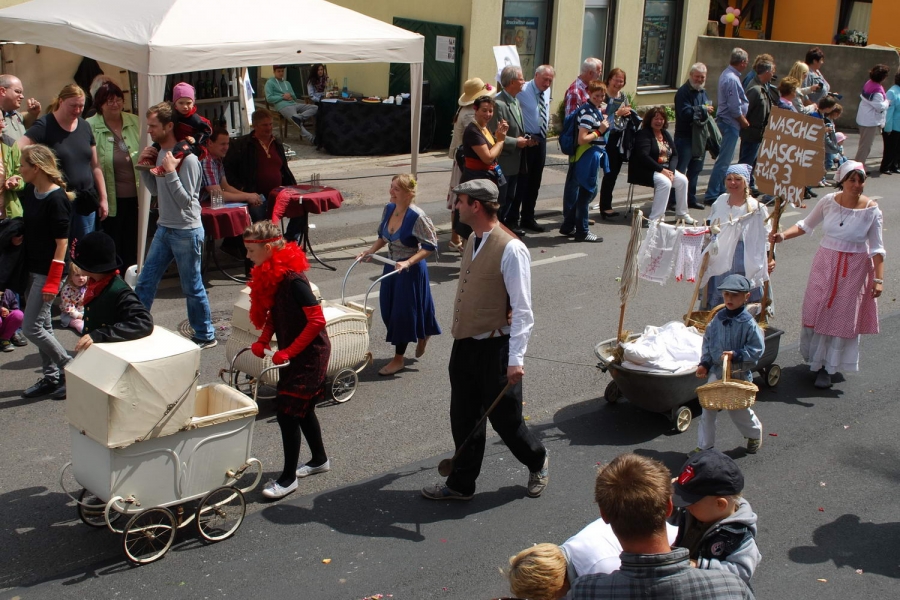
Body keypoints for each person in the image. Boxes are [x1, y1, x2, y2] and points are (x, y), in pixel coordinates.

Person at [421, 179, 548, 501]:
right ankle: (461, 485)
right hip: (465, 344)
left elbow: (523, 310)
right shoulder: (472, 239)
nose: (455, 206)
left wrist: (515, 359)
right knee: (464, 418)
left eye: (460, 201)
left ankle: (537, 460)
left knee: (507, 421)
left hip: (496, 347)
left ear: (475, 205)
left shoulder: (512, 249)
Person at [569, 453, 754, 599]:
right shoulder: (733, 589)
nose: (686, 507)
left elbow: (742, 569)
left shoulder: (583, 592)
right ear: (668, 507)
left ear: (604, 515)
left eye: (690, 503)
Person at [770, 160, 884, 390]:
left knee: (839, 315)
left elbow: (877, 248)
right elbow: (805, 225)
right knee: (815, 307)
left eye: (860, 180)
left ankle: (827, 367)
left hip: (854, 268)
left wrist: (878, 280)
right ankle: (816, 358)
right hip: (825, 262)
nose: (857, 184)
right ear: (842, 181)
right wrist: (782, 236)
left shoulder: (871, 210)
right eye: (852, 180)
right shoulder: (829, 201)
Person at [244, 221, 330, 500]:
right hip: (293, 351)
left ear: (268, 248)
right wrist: (263, 339)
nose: (248, 256)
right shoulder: (273, 275)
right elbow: (274, 313)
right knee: (303, 410)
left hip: (311, 354)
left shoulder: (293, 280)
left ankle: (288, 479)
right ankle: (319, 460)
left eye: (251, 251)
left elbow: (317, 321)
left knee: (288, 413)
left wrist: (289, 352)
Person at [134, 102, 216, 350]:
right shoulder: (161, 153)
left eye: (153, 126)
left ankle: (205, 334)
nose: (149, 130)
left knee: (191, 287)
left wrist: (170, 172)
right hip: (165, 227)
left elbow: (186, 201)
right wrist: (145, 169)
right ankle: (136, 327)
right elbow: (157, 192)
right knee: (145, 281)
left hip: (186, 230)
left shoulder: (188, 160)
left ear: (169, 126)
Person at [356, 174, 441, 376]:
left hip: (410, 270)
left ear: (409, 193)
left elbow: (430, 245)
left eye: (396, 189)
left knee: (401, 314)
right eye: (391, 187)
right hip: (392, 267)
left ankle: (398, 359)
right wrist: (370, 251)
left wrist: (408, 262)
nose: (391, 192)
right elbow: (383, 237)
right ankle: (424, 332)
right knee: (388, 310)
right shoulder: (389, 209)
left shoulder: (417, 216)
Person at [18, 144, 74, 400]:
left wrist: (53, 282)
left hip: (49, 272)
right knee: (44, 325)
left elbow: (62, 243)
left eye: (23, 165)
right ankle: (52, 377)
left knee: (31, 327)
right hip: (31, 267)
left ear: (36, 168)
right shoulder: (31, 192)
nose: (20, 169)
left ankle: (70, 368)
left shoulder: (57, 199)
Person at [508, 518, 680, 600]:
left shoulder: (599, 568)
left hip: (672, 559)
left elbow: (637, 591)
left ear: (554, 587)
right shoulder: (566, 554)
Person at [19, 84, 107, 242]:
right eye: (73, 106)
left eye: (81, 106)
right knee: (61, 246)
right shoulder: (45, 125)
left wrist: (103, 198)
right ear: (61, 101)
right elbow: (19, 149)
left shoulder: (85, 126)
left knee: (83, 248)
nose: (77, 110)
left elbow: (95, 166)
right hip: (58, 201)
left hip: (85, 200)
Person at [694, 274, 765, 454]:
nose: (729, 299)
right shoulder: (717, 319)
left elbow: (757, 349)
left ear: (746, 297)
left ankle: (754, 433)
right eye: (726, 294)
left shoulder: (748, 323)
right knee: (708, 408)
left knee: (738, 409)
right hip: (717, 370)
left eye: (735, 295)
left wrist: (738, 354)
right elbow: (708, 342)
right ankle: (705, 446)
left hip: (738, 373)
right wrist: (705, 363)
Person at [671, 449, 761, 585]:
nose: (686, 507)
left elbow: (742, 572)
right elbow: (668, 514)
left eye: (690, 502)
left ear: (720, 504)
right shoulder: (699, 512)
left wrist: (699, 565)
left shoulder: (739, 535)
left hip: (715, 588)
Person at [68, 230, 153, 353]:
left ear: (92, 266)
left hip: (111, 355)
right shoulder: (95, 282)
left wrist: (100, 334)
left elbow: (144, 322)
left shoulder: (119, 292)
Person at [86, 81, 141, 269]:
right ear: (99, 104)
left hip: (137, 196)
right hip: (109, 199)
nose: (115, 104)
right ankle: (115, 277)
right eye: (109, 100)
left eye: (118, 99)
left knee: (134, 242)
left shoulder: (135, 121)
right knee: (114, 243)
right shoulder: (89, 126)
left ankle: (133, 276)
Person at [704, 164, 773, 309]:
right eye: (729, 179)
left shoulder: (756, 207)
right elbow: (711, 222)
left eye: (737, 179)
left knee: (742, 294)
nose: (733, 183)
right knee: (723, 294)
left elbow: (766, 235)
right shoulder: (721, 200)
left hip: (745, 257)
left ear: (746, 182)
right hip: (721, 255)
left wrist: (770, 257)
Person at [223, 108, 299, 236]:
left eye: (270, 124)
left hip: (278, 194)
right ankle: (266, 243)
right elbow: (228, 171)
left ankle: (288, 241)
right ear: (255, 126)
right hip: (256, 196)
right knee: (261, 220)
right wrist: (243, 190)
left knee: (301, 208)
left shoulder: (277, 143)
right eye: (264, 125)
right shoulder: (242, 145)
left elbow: (284, 169)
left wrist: (293, 188)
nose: (269, 128)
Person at [447, 78, 494, 251]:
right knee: (463, 200)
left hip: (462, 158)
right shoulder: (470, 114)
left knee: (461, 199)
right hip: (466, 161)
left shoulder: (465, 109)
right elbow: (478, 142)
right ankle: (457, 237)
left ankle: (456, 238)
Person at [628, 106, 695, 224]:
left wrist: (671, 171)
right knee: (665, 182)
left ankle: (682, 214)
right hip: (645, 170)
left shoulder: (665, 134)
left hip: (665, 169)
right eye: (656, 119)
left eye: (661, 119)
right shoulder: (643, 134)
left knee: (683, 180)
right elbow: (643, 156)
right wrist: (662, 171)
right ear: (650, 120)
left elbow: (674, 155)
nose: (659, 121)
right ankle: (656, 219)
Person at [559, 80, 608, 242]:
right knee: (587, 193)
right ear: (589, 94)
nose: (599, 98)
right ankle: (582, 231)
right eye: (596, 95)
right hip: (586, 156)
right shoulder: (588, 112)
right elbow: (582, 139)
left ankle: (568, 225)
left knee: (587, 193)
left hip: (587, 156)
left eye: (602, 96)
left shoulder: (593, 110)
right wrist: (600, 131)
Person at [490, 65, 533, 235]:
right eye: (521, 79)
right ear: (512, 82)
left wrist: (526, 140)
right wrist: (516, 142)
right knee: (501, 198)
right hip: (504, 160)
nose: (524, 82)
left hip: (516, 160)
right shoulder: (498, 104)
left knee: (510, 196)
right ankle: (495, 231)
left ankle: (503, 228)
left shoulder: (515, 101)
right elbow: (494, 135)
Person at [513, 64, 555, 233]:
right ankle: (512, 218)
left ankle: (528, 217)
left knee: (535, 182)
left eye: (550, 80)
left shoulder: (547, 91)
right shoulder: (523, 89)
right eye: (545, 79)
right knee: (521, 181)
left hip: (541, 139)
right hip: (527, 140)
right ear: (536, 75)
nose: (547, 83)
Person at [138, 82, 212, 178]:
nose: (185, 106)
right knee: (155, 146)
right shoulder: (162, 153)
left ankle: (167, 167)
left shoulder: (195, 119)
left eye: (188, 103)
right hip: (180, 145)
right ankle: (149, 161)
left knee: (181, 146)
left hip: (190, 145)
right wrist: (144, 170)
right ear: (175, 104)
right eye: (181, 103)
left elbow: (207, 130)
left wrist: (195, 138)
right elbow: (156, 187)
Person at [704, 48, 749, 204]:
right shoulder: (731, 78)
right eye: (746, 62)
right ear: (742, 62)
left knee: (725, 160)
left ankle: (720, 190)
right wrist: (743, 120)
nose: (746, 65)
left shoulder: (729, 75)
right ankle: (712, 193)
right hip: (730, 123)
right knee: (724, 161)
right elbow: (734, 106)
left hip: (728, 122)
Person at [201, 127, 267, 220]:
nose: (226, 147)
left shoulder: (217, 159)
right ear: (210, 143)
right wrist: (247, 197)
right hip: (201, 207)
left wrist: (250, 196)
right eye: (222, 144)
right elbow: (218, 195)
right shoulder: (206, 161)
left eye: (227, 144)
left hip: (208, 204)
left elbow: (225, 186)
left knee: (258, 204)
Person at [674, 63, 713, 210]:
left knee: (695, 170)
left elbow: (707, 109)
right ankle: (674, 200)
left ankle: (690, 199)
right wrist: (703, 109)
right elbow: (685, 113)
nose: (700, 80)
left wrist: (705, 110)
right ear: (691, 75)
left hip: (699, 138)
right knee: (680, 171)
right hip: (685, 137)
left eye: (702, 77)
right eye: (697, 76)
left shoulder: (703, 92)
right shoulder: (683, 92)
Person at [595, 68, 631, 219]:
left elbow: (627, 113)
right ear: (609, 79)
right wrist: (617, 113)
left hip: (618, 138)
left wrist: (627, 112)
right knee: (596, 172)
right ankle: (585, 206)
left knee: (612, 172)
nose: (618, 83)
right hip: (602, 137)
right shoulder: (602, 95)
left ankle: (606, 206)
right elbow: (600, 116)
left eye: (621, 81)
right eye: (616, 80)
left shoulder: (623, 96)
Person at [740, 56, 775, 196]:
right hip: (751, 133)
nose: (773, 74)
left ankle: (748, 185)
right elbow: (745, 111)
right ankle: (742, 188)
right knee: (746, 162)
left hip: (758, 133)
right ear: (766, 72)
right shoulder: (754, 89)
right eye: (772, 71)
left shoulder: (763, 87)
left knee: (752, 162)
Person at [266, 65, 317, 143]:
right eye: (278, 71)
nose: (281, 73)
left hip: (293, 103)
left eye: (282, 71)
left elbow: (294, 97)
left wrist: (290, 96)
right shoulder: (270, 83)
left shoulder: (287, 83)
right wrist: (282, 97)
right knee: (296, 123)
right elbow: (269, 98)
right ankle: (312, 139)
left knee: (315, 107)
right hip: (283, 106)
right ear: (274, 72)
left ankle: (299, 117)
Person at [855, 64, 890, 165]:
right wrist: (887, 102)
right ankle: (857, 168)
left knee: (863, 145)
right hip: (869, 122)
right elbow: (880, 107)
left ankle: (859, 166)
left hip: (864, 118)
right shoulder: (877, 91)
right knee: (865, 147)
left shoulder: (869, 83)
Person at [0, 74, 41, 141]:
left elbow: (23, 119)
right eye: (17, 91)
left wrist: (32, 114)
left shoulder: (15, 115)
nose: (22, 96)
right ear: (2, 91)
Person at [0, 115, 25, 219]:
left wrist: (15, 181)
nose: (2, 126)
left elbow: (22, 175)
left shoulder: (10, 144)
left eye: (2, 120)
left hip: (7, 213)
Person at [880, 69, 900, 175]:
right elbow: (888, 112)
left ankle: (894, 166)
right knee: (890, 148)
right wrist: (888, 127)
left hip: (898, 126)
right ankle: (885, 167)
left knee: (897, 149)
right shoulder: (892, 92)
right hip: (892, 126)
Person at [59, 264, 87, 333]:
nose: (81, 278)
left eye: (83, 275)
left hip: (84, 312)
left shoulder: (87, 287)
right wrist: (81, 316)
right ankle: (85, 331)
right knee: (79, 324)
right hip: (70, 315)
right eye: (77, 275)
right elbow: (68, 308)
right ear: (71, 277)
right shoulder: (67, 289)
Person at [0, 288, 24, 352]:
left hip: (4, 323)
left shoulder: (8, 292)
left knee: (18, 314)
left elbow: (15, 307)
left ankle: (5, 338)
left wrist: (8, 311)